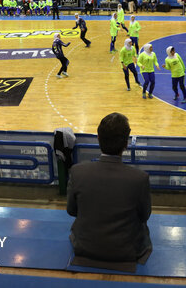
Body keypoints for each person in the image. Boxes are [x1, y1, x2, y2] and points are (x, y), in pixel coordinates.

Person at [67, 112, 152, 264]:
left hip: (84, 248)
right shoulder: (140, 178)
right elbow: (144, 216)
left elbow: (72, 211)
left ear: (98, 139)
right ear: (126, 143)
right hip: (126, 252)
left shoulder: (77, 172)